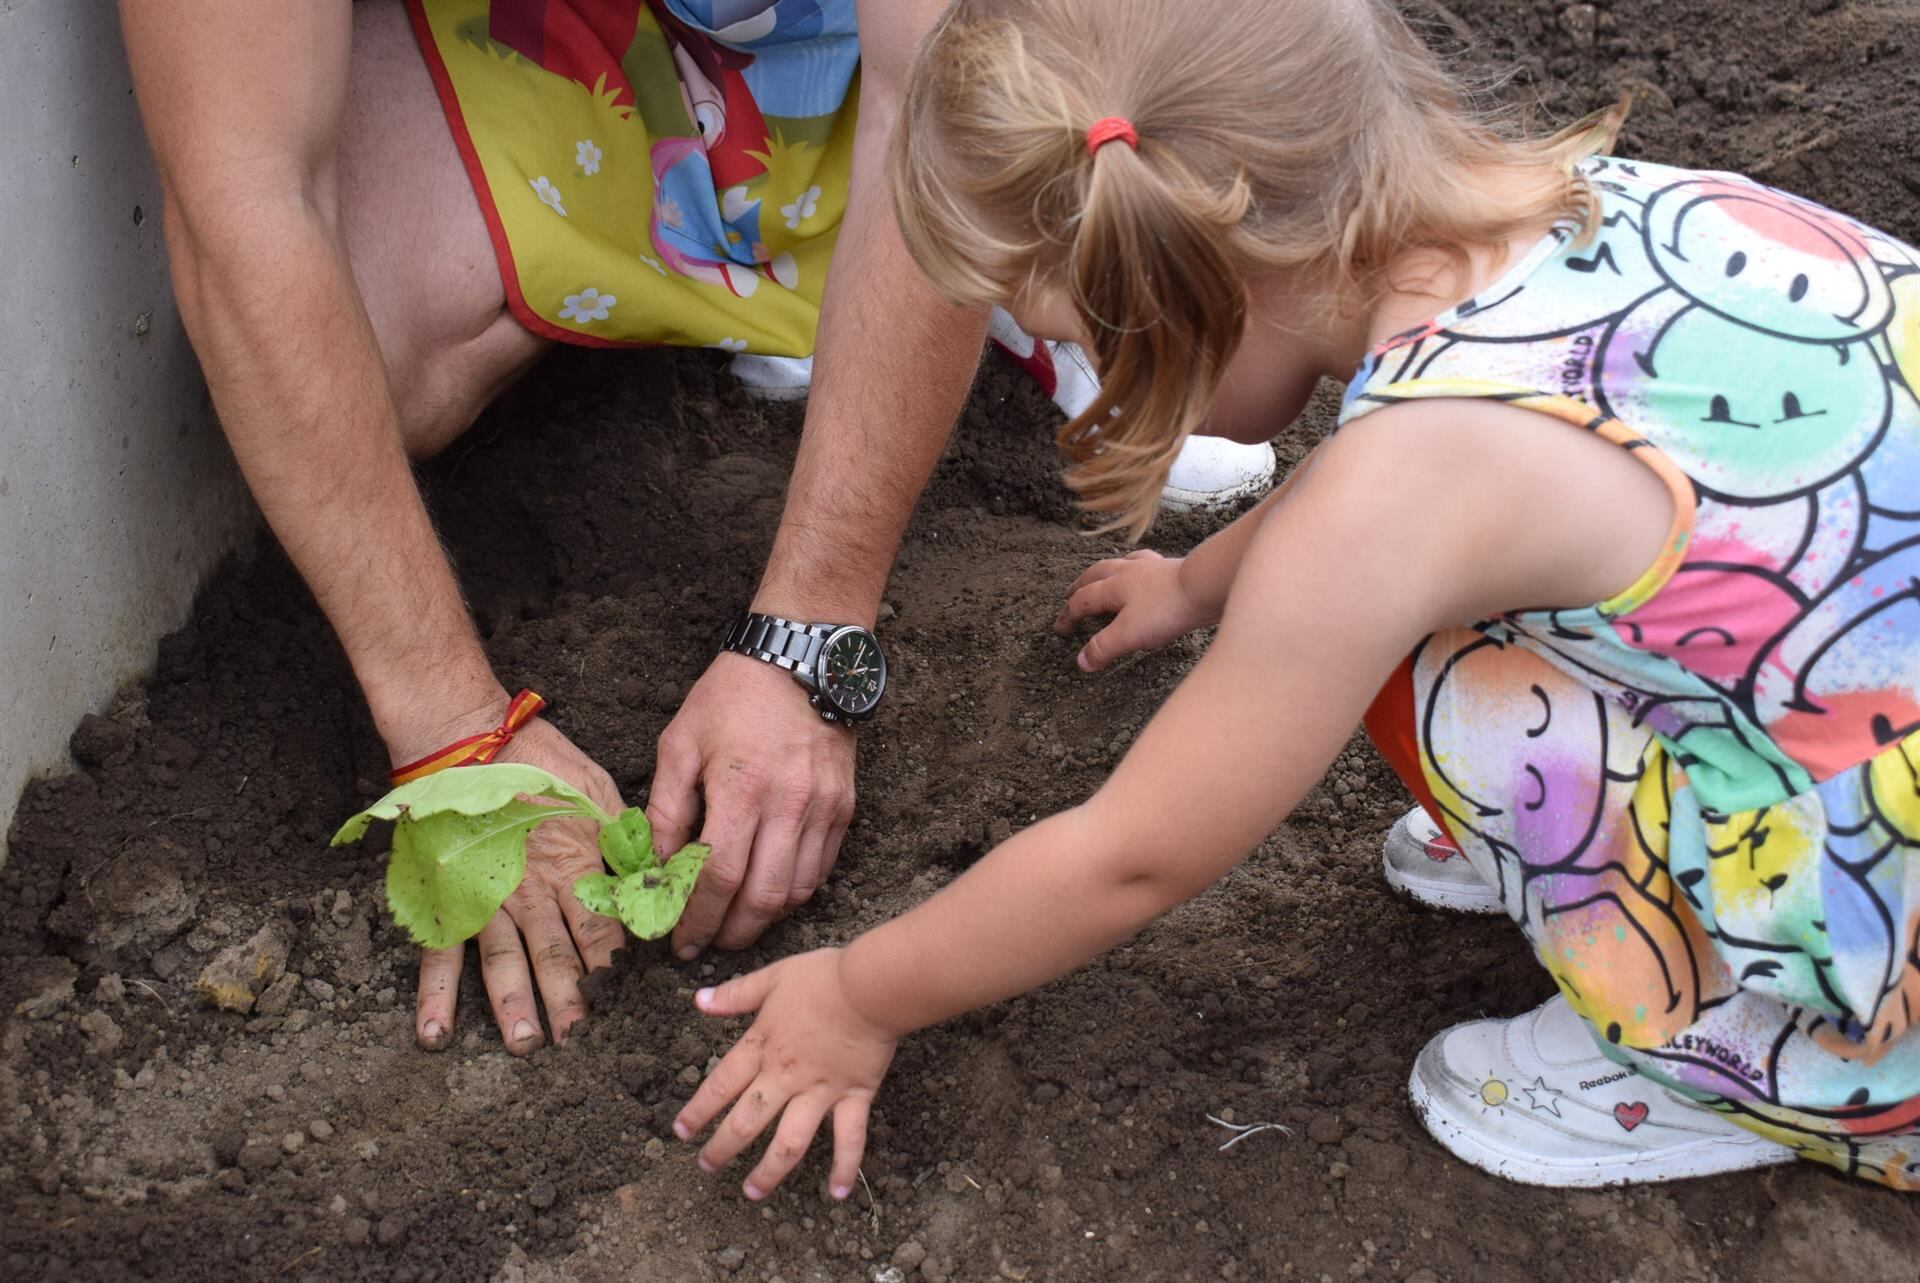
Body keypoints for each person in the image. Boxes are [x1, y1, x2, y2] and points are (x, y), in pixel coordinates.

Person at [669, 0, 1920, 1199]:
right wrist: (1196, 581)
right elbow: (1424, 485)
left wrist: (861, 996)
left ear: (1187, 285)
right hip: (1876, 703)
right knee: (1389, 597)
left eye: (1092, 338)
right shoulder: (1600, 207)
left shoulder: (1393, 502)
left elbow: (1134, 854)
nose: (1097, 376)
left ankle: (1746, 1062)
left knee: (1421, 682)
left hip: (1895, 967)